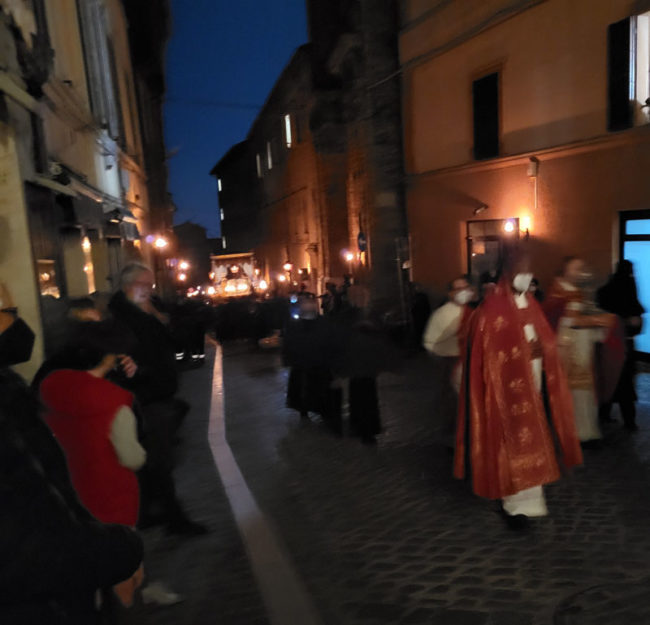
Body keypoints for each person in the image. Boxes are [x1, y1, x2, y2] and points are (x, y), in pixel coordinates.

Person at [0, 282, 143, 623]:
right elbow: (24, 546)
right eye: (7, 311)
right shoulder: (112, 400)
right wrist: (122, 551)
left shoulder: (43, 383)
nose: (16, 322)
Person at [454, 246, 582, 530]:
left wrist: (542, 352)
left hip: (533, 385)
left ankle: (531, 499)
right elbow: (486, 352)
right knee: (508, 444)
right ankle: (512, 503)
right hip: (503, 392)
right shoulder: (491, 309)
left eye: (529, 270)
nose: (527, 275)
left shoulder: (531, 303)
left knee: (531, 439)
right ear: (508, 272)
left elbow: (544, 339)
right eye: (521, 270)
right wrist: (524, 353)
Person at [109, 263, 206, 536]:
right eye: (145, 285)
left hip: (157, 392)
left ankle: (148, 512)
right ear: (129, 286)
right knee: (159, 460)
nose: (150, 290)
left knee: (152, 460)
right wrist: (143, 372)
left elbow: (174, 342)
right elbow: (126, 361)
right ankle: (174, 518)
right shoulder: (121, 319)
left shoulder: (146, 311)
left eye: (151, 285)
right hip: (145, 397)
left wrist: (158, 317)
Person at [544, 257, 619, 445]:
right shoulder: (558, 292)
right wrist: (598, 321)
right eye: (576, 268)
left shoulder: (575, 291)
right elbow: (567, 321)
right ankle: (576, 433)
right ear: (565, 270)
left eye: (581, 268)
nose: (580, 272)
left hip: (581, 346)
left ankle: (587, 431)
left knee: (584, 390)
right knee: (574, 390)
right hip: (568, 348)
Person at [422, 276, 474, 447]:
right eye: (458, 289)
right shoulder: (441, 314)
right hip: (450, 363)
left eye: (465, 288)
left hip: (469, 362)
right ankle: (454, 440)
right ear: (450, 293)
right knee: (452, 405)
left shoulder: (472, 312)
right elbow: (429, 342)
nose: (463, 292)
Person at [597, 260, 645, 430]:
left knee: (608, 379)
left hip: (607, 343)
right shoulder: (630, 289)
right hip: (624, 344)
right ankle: (629, 421)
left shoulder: (604, 291)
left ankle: (604, 415)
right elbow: (636, 321)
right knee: (625, 383)